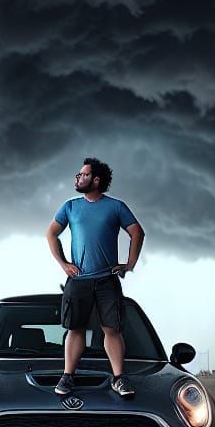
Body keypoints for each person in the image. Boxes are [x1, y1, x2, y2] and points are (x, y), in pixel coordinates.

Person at [46, 157, 144, 398]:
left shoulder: (116, 207)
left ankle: (119, 378)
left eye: (83, 175)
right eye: (78, 174)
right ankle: (68, 376)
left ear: (96, 180)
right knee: (75, 328)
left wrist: (129, 265)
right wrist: (64, 264)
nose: (78, 178)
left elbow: (137, 232)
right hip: (78, 280)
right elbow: (51, 233)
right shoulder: (70, 207)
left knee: (111, 329)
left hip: (107, 280)